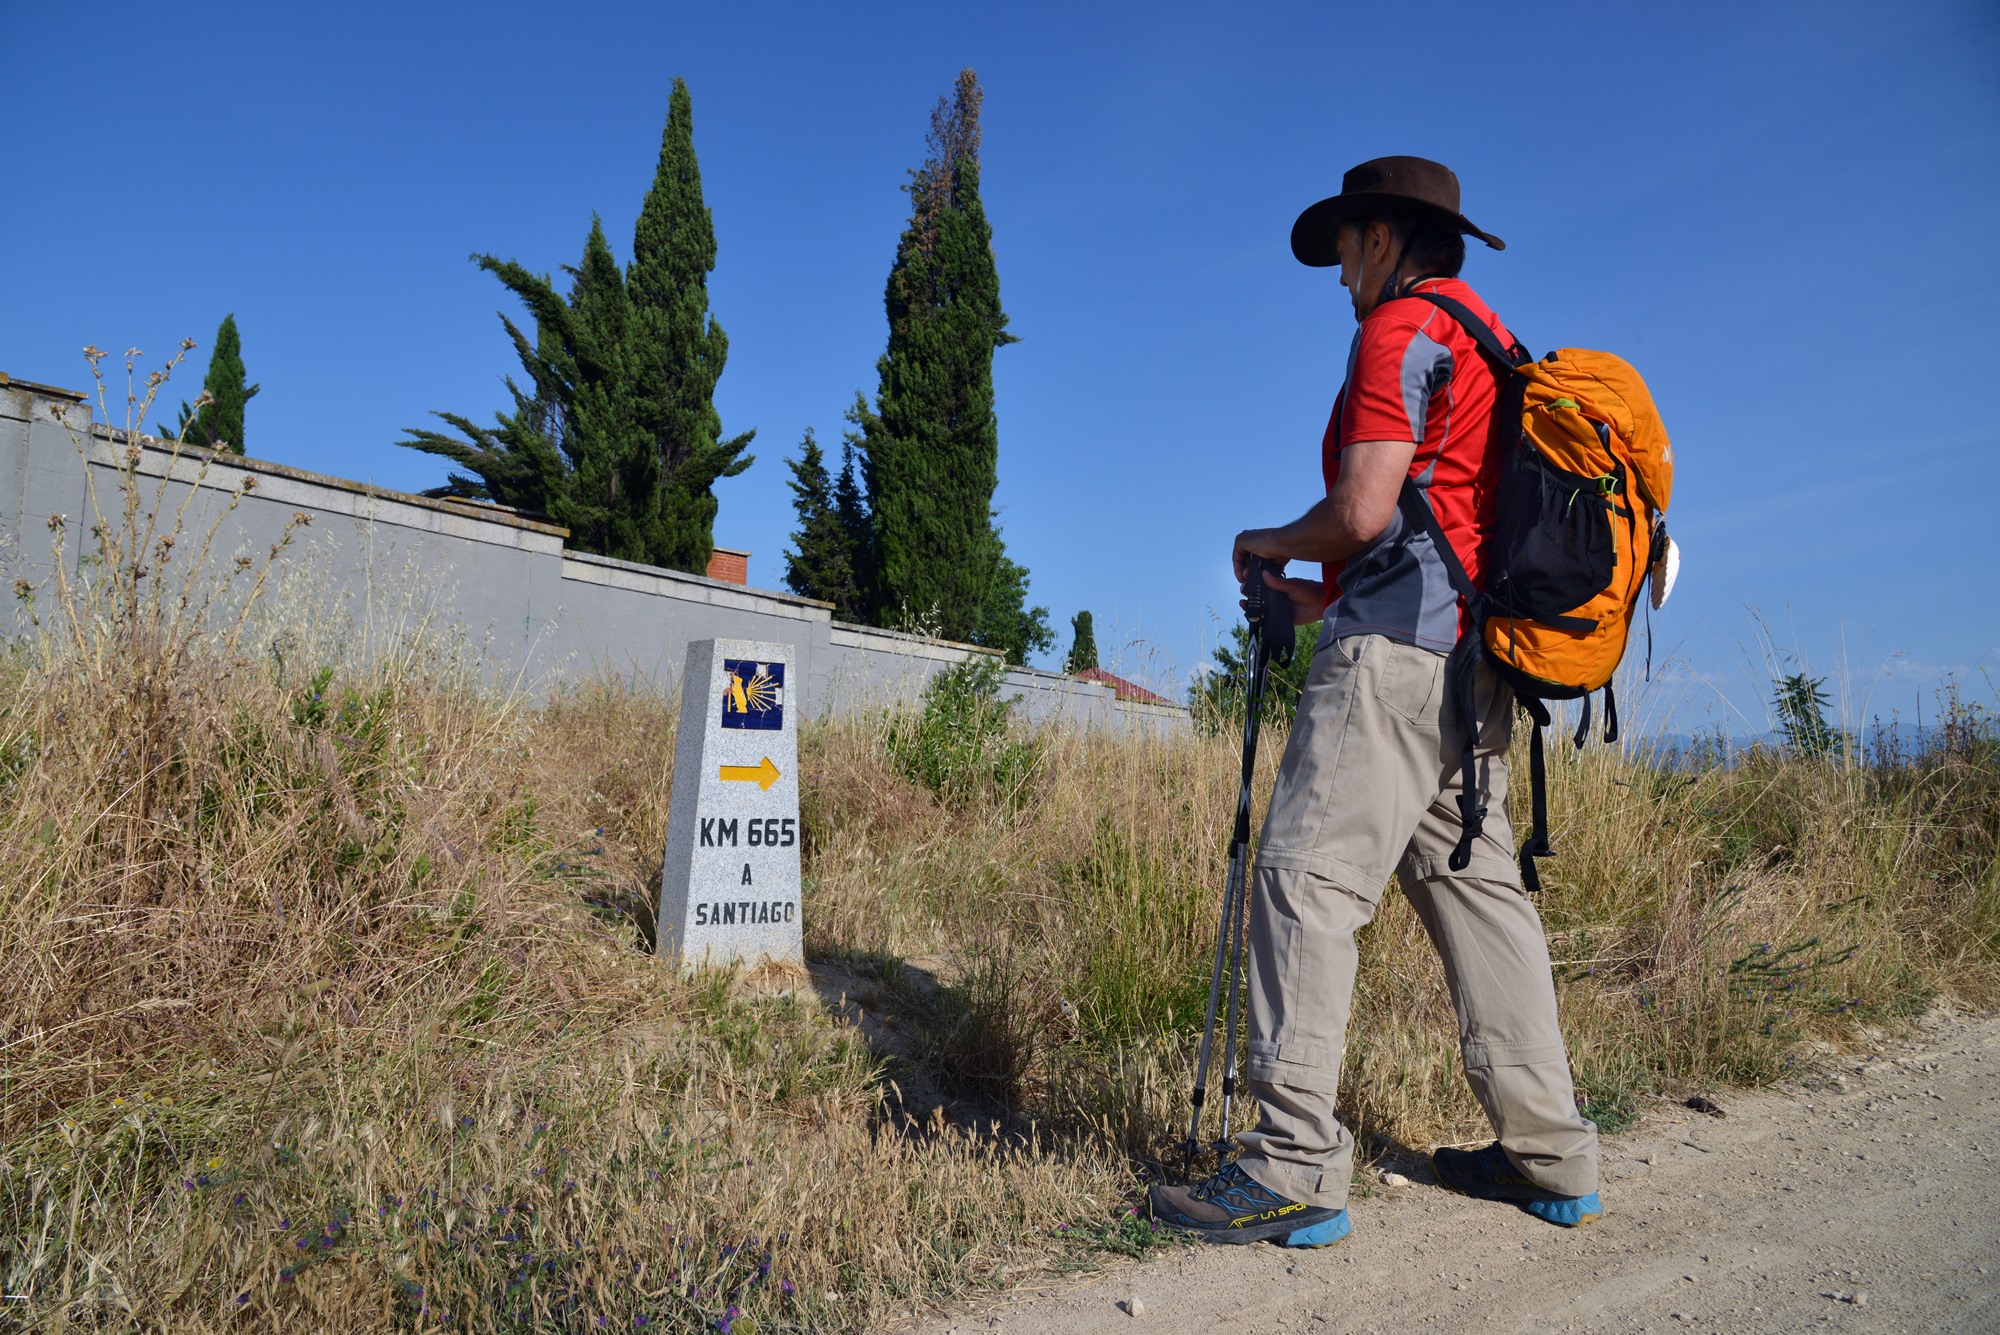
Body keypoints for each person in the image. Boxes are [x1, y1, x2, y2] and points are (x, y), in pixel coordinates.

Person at [1148, 156, 1601, 1247]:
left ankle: (1291, 1163)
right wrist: (1304, 600)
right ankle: (1551, 1154)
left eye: (1347, 244)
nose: (1338, 270)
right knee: (1482, 905)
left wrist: (1265, 541)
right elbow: (1423, 529)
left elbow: (1359, 511)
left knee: (1301, 882)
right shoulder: (1489, 339)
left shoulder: (1397, 332)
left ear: (1386, 240)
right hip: (1471, 676)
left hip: (1390, 671)